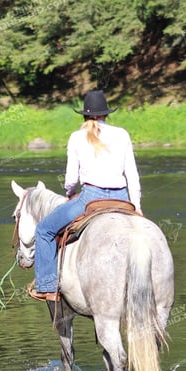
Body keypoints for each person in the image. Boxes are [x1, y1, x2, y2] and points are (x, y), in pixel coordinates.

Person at [28, 90, 142, 301]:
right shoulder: (122, 134)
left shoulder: (76, 137)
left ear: (84, 115)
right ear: (106, 113)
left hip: (91, 198)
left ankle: (47, 287)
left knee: (44, 230)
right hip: (123, 199)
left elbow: (71, 178)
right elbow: (132, 175)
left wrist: (69, 193)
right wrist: (137, 205)